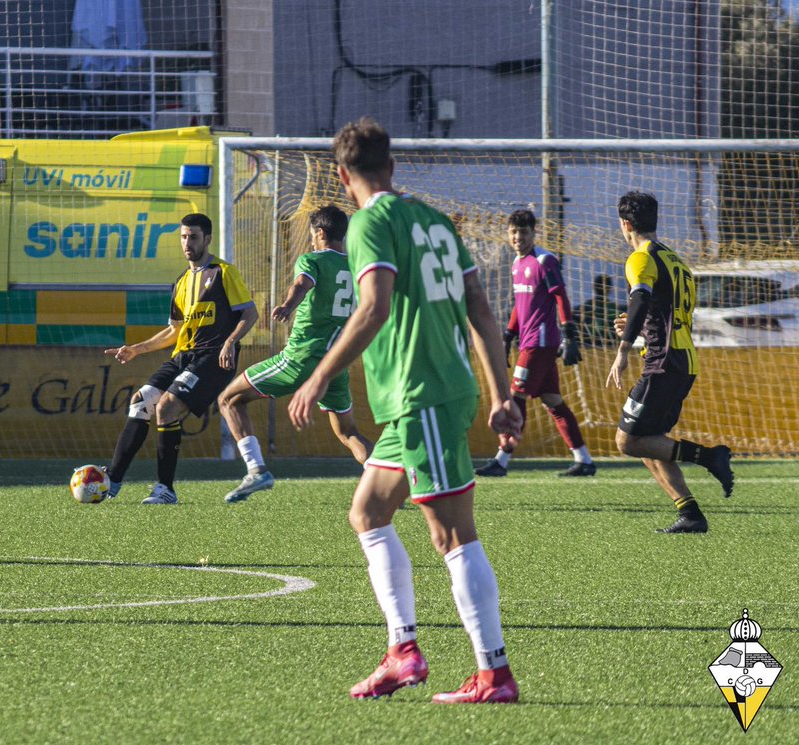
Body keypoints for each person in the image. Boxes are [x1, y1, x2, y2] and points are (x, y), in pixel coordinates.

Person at [290, 117, 523, 704]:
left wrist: (319, 375)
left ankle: (494, 673)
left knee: (452, 536)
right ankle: (402, 652)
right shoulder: (437, 222)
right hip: (424, 398)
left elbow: (372, 307)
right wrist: (500, 395)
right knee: (367, 512)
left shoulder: (369, 222)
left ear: (343, 178)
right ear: (392, 166)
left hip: (425, 393)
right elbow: (481, 310)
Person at [217, 205, 372, 503]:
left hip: (300, 358)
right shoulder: (357, 266)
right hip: (336, 364)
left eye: (313, 235)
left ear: (321, 233)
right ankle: (386, 482)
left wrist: (288, 305)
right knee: (349, 431)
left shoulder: (312, 259)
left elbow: (302, 283)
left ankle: (256, 470)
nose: (311, 241)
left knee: (228, 399)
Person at [103, 213, 259, 504]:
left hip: (213, 357)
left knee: (167, 407)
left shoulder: (224, 273)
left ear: (208, 239)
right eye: (184, 237)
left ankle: (165, 489)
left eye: (194, 237)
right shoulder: (181, 281)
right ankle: (111, 481)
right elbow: (175, 331)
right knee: (140, 401)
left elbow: (250, 313)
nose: (188, 243)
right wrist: (138, 349)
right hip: (184, 356)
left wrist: (230, 342)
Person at [605, 191, 735, 533]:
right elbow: (668, 315)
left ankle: (710, 457)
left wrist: (622, 349)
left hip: (663, 363)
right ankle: (690, 513)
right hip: (681, 359)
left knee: (628, 441)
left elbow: (641, 298)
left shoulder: (640, 258)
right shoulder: (678, 262)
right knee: (648, 438)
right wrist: (641, 327)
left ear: (626, 224)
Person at [474, 209, 596, 478]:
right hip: (528, 341)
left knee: (515, 397)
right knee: (553, 402)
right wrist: (508, 335)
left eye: (524, 232)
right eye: (514, 232)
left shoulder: (544, 260)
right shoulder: (517, 264)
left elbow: (561, 297)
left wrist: (570, 335)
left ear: (533, 233)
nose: (519, 237)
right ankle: (584, 459)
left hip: (539, 343)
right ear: (508, 234)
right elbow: (521, 304)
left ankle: (501, 460)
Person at [576, 274, 626, 348]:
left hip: (590, 343)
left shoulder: (585, 307)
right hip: (609, 343)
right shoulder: (616, 309)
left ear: (594, 287)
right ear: (610, 288)